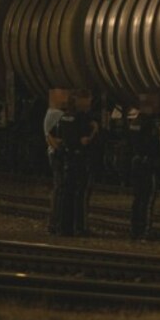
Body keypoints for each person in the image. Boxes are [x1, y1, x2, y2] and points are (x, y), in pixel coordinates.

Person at [49, 91, 99, 236]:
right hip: (80, 160)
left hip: (66, 159)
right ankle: (80, 228)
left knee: (66, 193)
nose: (89, 103)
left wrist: (60, 149)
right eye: (87, 99)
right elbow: (85, 141)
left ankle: (63, 227)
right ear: (80, 101)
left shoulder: (62, 117)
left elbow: (52, 135)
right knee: (80, 195)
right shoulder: (83, 119)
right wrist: (94, 130)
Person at [128, 96, 160, 240]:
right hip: (147, 163)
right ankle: (145, 230)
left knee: (137, 197)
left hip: (136, 162)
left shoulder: (134, 122)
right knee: (147, 199)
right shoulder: (150, 124)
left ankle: (134, 229)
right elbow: (154, 145)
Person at [44, 91, 66, 235]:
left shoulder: (50, 113)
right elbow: (51, 137)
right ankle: (56, 223)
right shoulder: (57, 115)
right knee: (60, 189)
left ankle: (55, 223)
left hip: (53, 153)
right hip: (58, 155)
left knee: (59, 189)